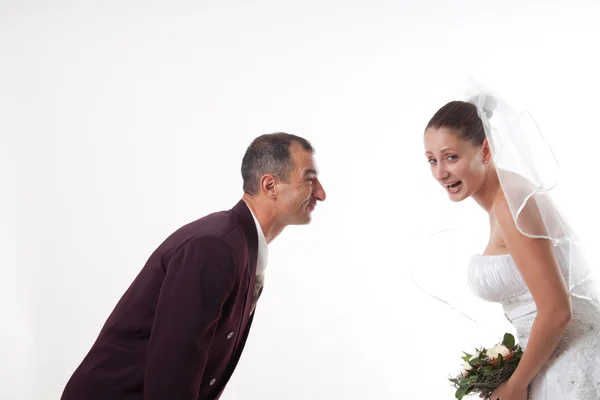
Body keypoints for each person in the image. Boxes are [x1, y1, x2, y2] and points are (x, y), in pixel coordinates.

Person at [60, 132, 326, 400]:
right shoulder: (215, 248)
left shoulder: (241, 248)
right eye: (310, 179)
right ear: (270, 186)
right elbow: (172, 371)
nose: (321, 193)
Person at [422, 81, 600, 399]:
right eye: (432, 160)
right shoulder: (506, 198)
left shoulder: (509, 206)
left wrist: (515, 385)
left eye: (450, 157)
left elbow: (557, 310)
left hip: (571, 364)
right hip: (547, 357)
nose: (440, 173)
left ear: (486, 151)